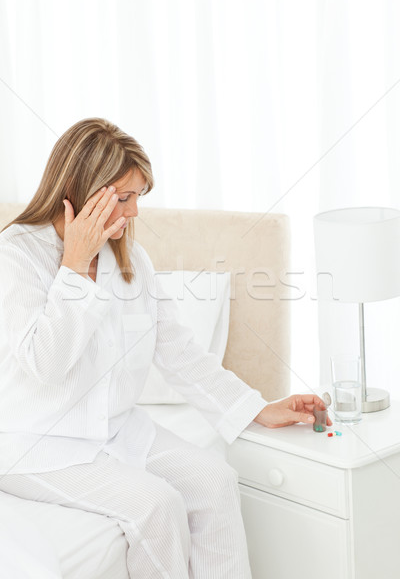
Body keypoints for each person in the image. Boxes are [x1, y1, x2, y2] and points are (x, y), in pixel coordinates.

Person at [0, 118, 331, 578]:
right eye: (123, 197)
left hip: (117, 431)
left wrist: (257, 408)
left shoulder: (131, 259)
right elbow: (46, 365)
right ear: (81, 190)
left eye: (138, 197)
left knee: (216, 481)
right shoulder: (16, 256)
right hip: (36, 444)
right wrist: (74, 267)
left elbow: (179, 353)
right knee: (157, 507)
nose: (135, 212)